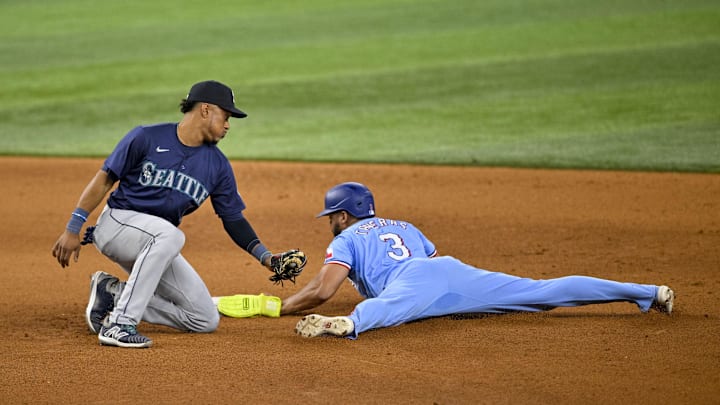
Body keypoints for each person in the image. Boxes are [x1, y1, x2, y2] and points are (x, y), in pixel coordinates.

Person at [51, 80, 299, 348]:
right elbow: (104, 180)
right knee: (171, 235)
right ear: (205, 110)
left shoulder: (218, 166)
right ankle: (120, 324)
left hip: (156, 242)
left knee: (204, 318)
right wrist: (72, 228)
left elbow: (233, 219)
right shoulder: (146, 137)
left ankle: (112, 294)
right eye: (226, 116)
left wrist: (266, 257)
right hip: (117, 225)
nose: (228, 125)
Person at [279, 182, 675, 339]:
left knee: (386, 307)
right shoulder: (403, 224)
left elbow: (322, 289)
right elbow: (433, 265)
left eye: (331, 215)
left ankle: (349, 325)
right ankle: (648, 292)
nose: (329, 221)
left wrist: (282, 306)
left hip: (413, 281)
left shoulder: (346, 238)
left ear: (344, 215)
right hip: (448, 270)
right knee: (542, 290)